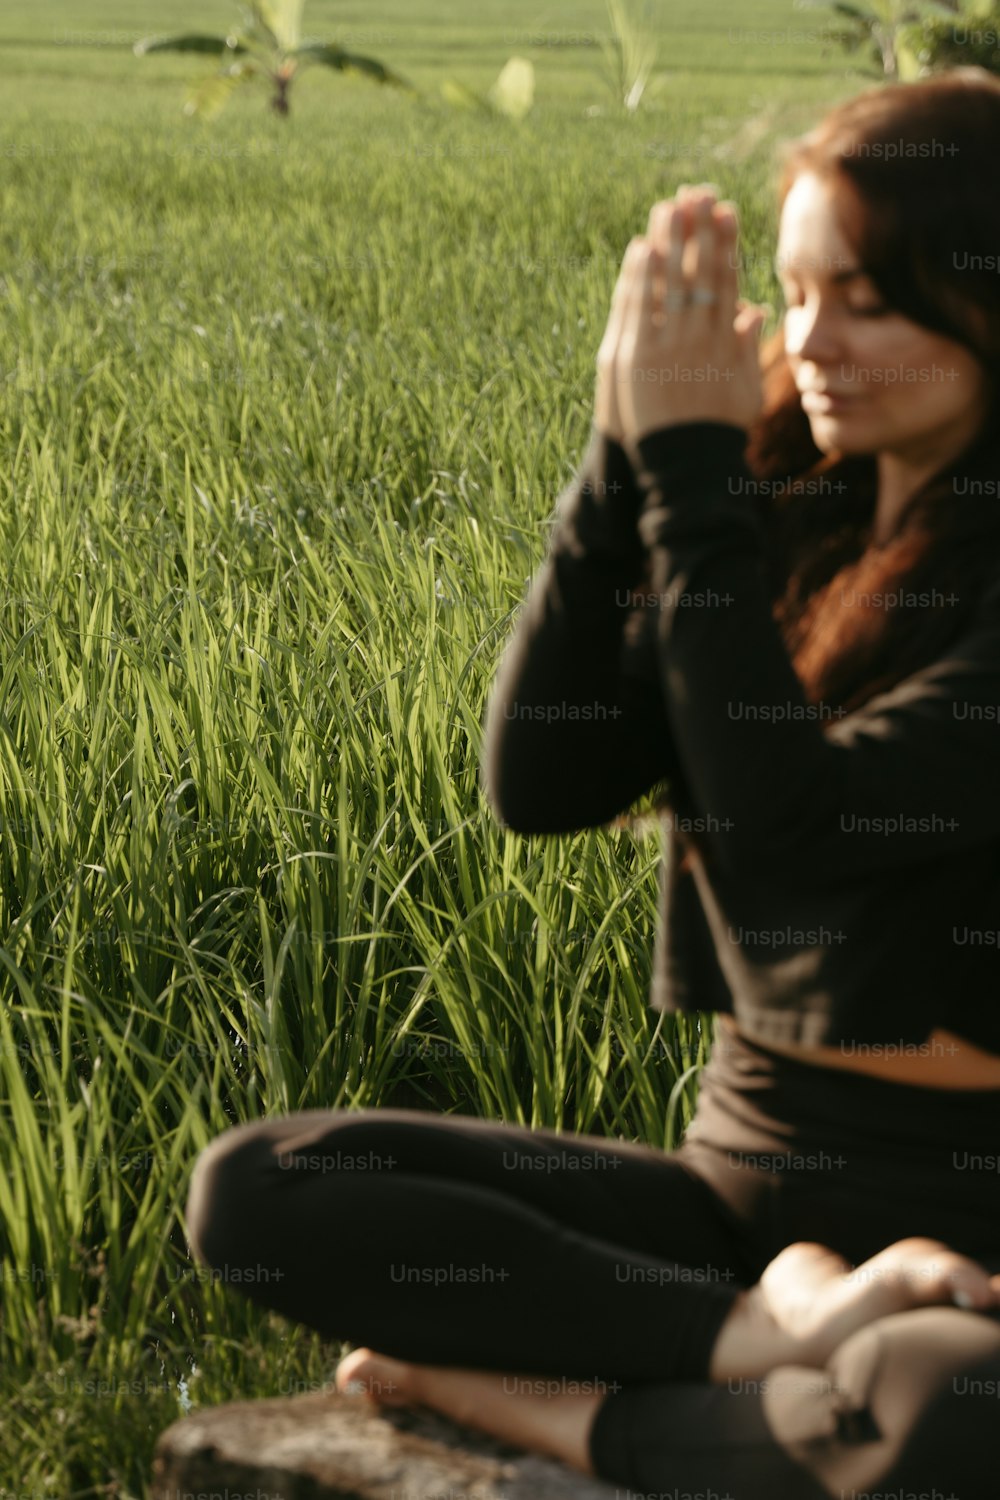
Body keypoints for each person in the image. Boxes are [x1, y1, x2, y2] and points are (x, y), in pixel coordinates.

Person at [184, 69, 1000, 1498]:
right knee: (264, 1189)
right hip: (740, 1195)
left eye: (867, 298)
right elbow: (544, 781)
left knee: (949, 1411)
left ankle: (532, 1405)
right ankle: (758, 1334)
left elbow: (787, 836)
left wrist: (689, 478)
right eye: (796, 296)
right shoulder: (791, 524)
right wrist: (622, 459)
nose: (813, 343)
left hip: (963, 1230)